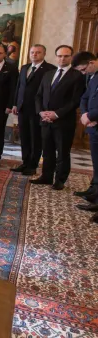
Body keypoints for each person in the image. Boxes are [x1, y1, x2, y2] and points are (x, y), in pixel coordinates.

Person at [31, 45, 85, 190]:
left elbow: (75, 101)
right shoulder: (48, 74)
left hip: (63, 121)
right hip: (45, 120)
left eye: (66, 56)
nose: (62, 59)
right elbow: (38, 96)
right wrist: (41, 112)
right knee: (47, 151)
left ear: (71, 57)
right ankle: (46, 176)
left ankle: (60, 180)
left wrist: (56, 114)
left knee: (62, 152)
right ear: (56, 57)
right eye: (60, 56)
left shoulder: (77, 76)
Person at [11, 45, 56, 175]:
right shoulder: (25, 68)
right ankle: (25, 162)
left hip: (38, 109)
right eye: (32, 52)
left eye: (38, 52)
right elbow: (19, 87)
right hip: (23, 108)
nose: (34, 55)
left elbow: (48, 91)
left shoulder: (50, 69)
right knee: (24, 137)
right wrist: (15, 104)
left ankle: (32, 165)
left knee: (35, 138)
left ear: (44, 54)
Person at [77, 58, 98, 223]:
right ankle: (96, 199)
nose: (84, 73)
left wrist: (91, 116)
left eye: (84, 69)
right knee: (97, 166)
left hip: (95, 120)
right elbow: (84, 97)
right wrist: (85, 114)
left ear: (91, 62)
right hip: (93, 127)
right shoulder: (94, 77)